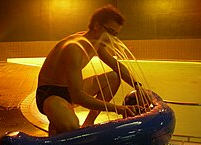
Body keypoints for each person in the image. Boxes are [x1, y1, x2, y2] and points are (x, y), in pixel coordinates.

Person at [36, 4, 142, 136]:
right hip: (51, 94)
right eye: (110, 32)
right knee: (71, 125)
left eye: (115, 34)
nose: (112, 39)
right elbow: (78, 96)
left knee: (114, 77)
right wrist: (118, 109)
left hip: (68, 90)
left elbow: (117, 67)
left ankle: (89, 122)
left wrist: (139, 87)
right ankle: (59, 118)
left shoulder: (96, 44)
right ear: (97, 26)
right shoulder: (73, 48)